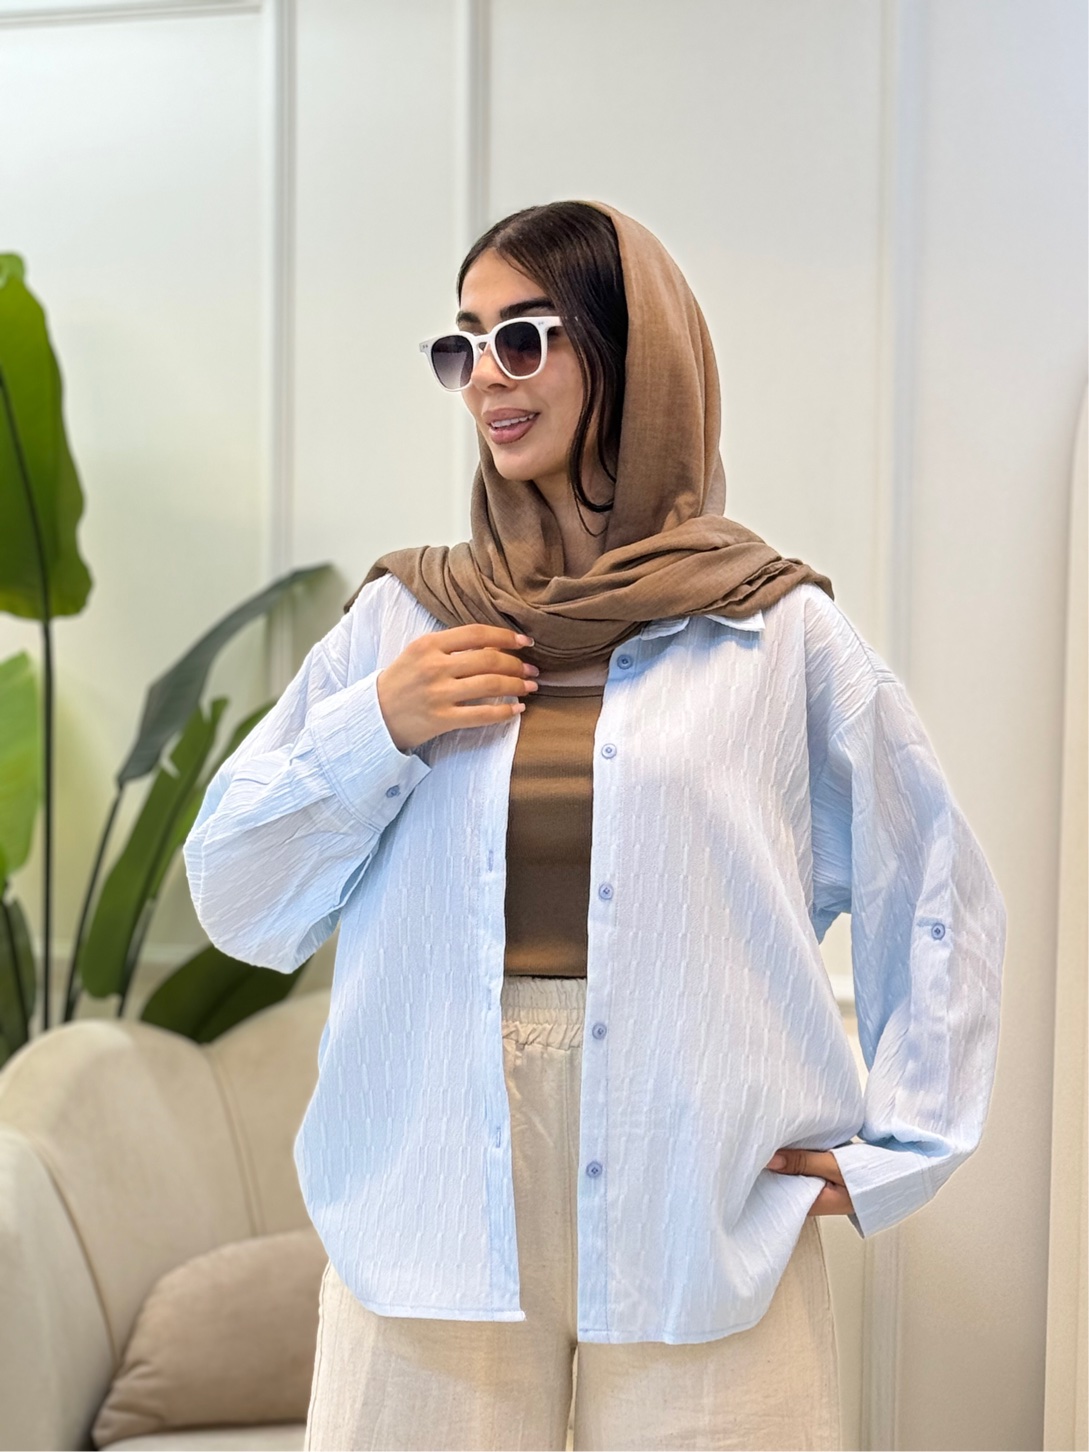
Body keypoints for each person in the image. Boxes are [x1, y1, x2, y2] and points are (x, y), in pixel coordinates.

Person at [183, 201, 1006, 1452]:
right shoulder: (405, 623)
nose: (485, 379)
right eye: (463, 347)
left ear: (633, 353)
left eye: (523, 338)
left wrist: (906, 1142)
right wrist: (379, 727)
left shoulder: (772, 630)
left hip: (701, 1188)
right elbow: (235, 890)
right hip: (431, 1187)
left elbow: (933, 876)